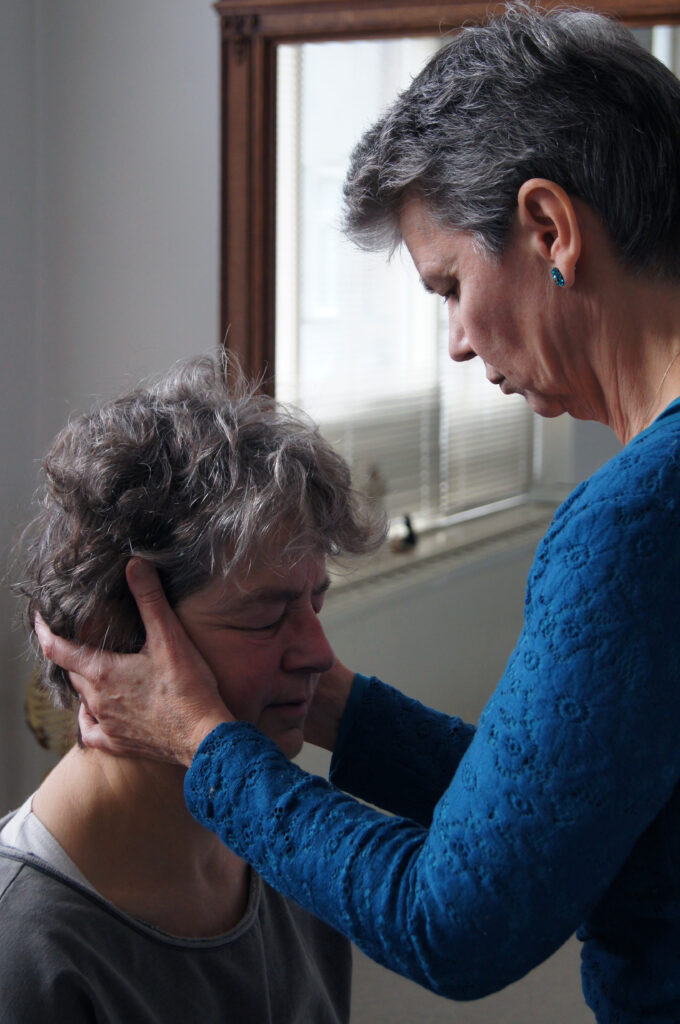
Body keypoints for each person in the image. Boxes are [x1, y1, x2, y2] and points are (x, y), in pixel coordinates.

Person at [35, 4, 680, 1021]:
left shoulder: (637, 523)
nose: (457, 341)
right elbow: (556, 809)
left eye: (448, 286)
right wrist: (329, 699)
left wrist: (205, 745)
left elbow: (453, 920)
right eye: (266, 612)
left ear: (549, 228)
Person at [3, 355, 383, 1022]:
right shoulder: (24, 952)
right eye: (264, 617)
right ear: (109, 635)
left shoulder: (291, 851)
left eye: (315, 603)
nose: (321, 655)